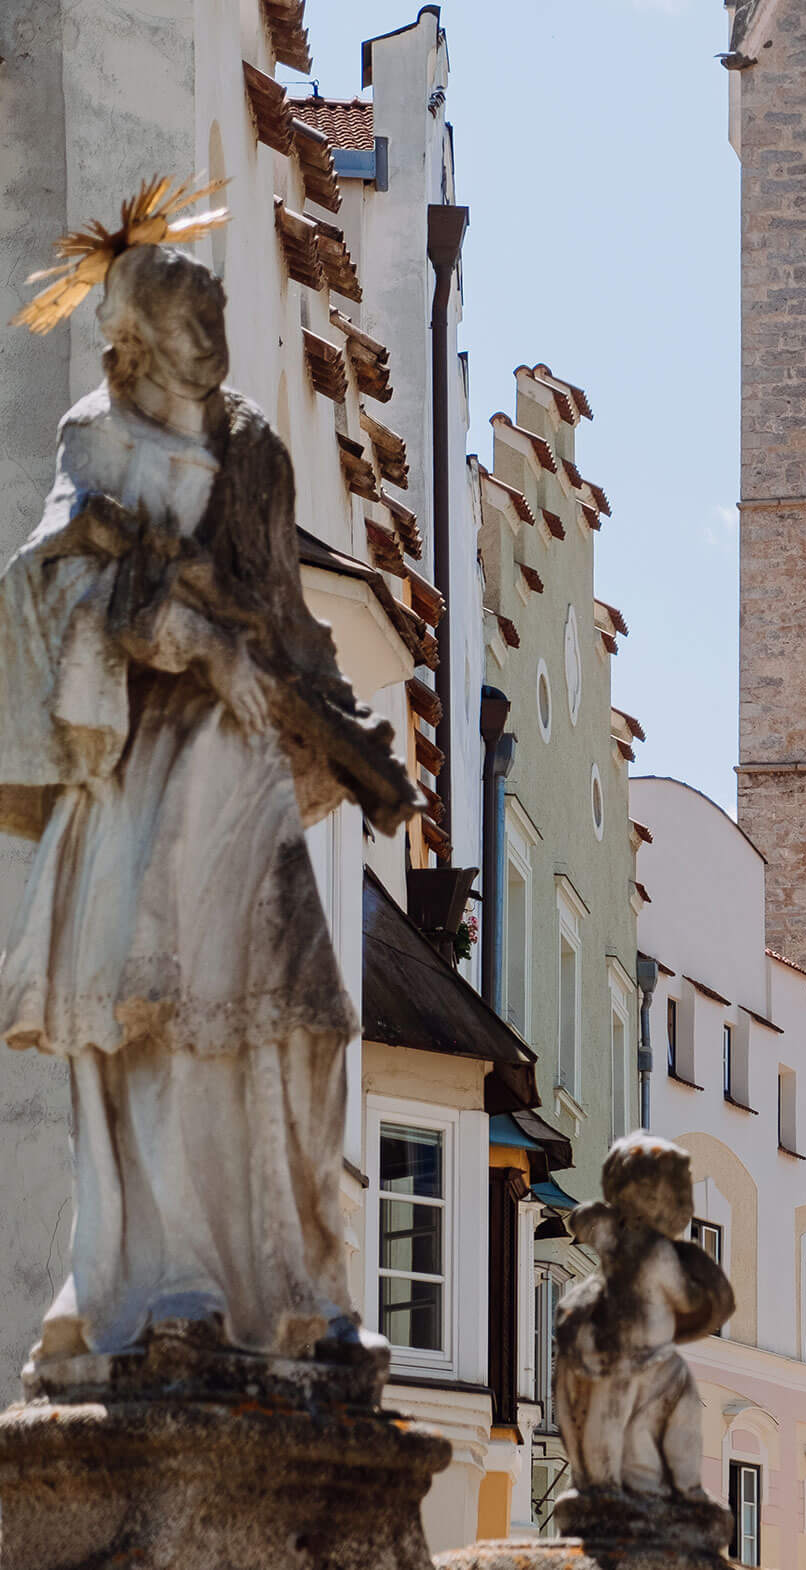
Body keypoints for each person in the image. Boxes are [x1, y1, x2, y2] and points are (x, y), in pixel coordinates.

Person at [0, 209, 416, 1376]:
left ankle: (298, 1289)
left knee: (309, 1020)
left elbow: (285, 614)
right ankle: (172, 1287)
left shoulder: (258, 454)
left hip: (247, 777)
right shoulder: (97, 442)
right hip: (146, 773)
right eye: (188, 315)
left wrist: (344, 732)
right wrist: (188, 638)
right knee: (160, 1018)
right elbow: (58, 591)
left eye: (219, 308)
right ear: (127, 338)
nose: (213, 331)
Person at [556, 1134, 733, 1499]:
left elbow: (584, 1226)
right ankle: (685, 1488)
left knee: (612, 1425)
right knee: (678, 1421)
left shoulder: (619, 1243)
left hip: (626, 1355)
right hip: (645, 1357)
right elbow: (685, 1299)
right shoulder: (657, 1250)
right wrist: (703, 1290)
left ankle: (605, 1483)